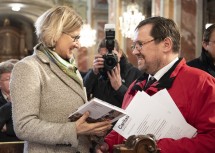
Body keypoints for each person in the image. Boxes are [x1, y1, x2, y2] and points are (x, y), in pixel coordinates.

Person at [96, 17, 215, 153]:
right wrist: (106, 144)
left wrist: (156, 148)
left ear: (166, 44)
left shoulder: (202, 83)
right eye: (134, 46)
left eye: (140, 44)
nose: (134, 51)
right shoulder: (135, 86)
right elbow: (124, 130)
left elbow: (211, 140)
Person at [9, 6, 112, 153]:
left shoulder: (69, 65)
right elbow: (24, 126)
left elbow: (72, 115)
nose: (78, 44)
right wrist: (73, 130)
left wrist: (93, 129)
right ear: (56, 33)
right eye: (75, 37)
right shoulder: (28, 67)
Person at [84, 39, 142, 107]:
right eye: (105, 57)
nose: (109, 60)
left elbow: (138, 105)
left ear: (119, 53)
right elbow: (82, 94)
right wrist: (93, 73)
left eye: (112, 55)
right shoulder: (96, 73)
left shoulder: (135, 73)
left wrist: (120, 88)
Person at [0, 60, 20, 142]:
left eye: (13, 78)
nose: (11, 82)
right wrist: (11, 104)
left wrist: (7, 128)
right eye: (8, 79)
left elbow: (30, 126)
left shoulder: (25, 96)